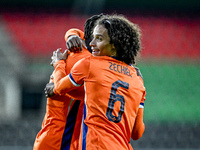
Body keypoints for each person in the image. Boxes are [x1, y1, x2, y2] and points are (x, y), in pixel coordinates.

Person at [46, 14, 146, 150]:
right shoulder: (138, 81)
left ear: (114, 45)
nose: (91, 43)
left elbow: (58, 87)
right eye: (93, 37)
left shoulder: (89, 64)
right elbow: (137, 133)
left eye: (99, 39)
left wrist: (59, 63)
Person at [33, 14, 103, 150]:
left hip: (48, 138)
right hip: (61, 141)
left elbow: (75, 31)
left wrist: (71, 35)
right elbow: (58, 88)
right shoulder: (86, 63)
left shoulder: (73, 56)